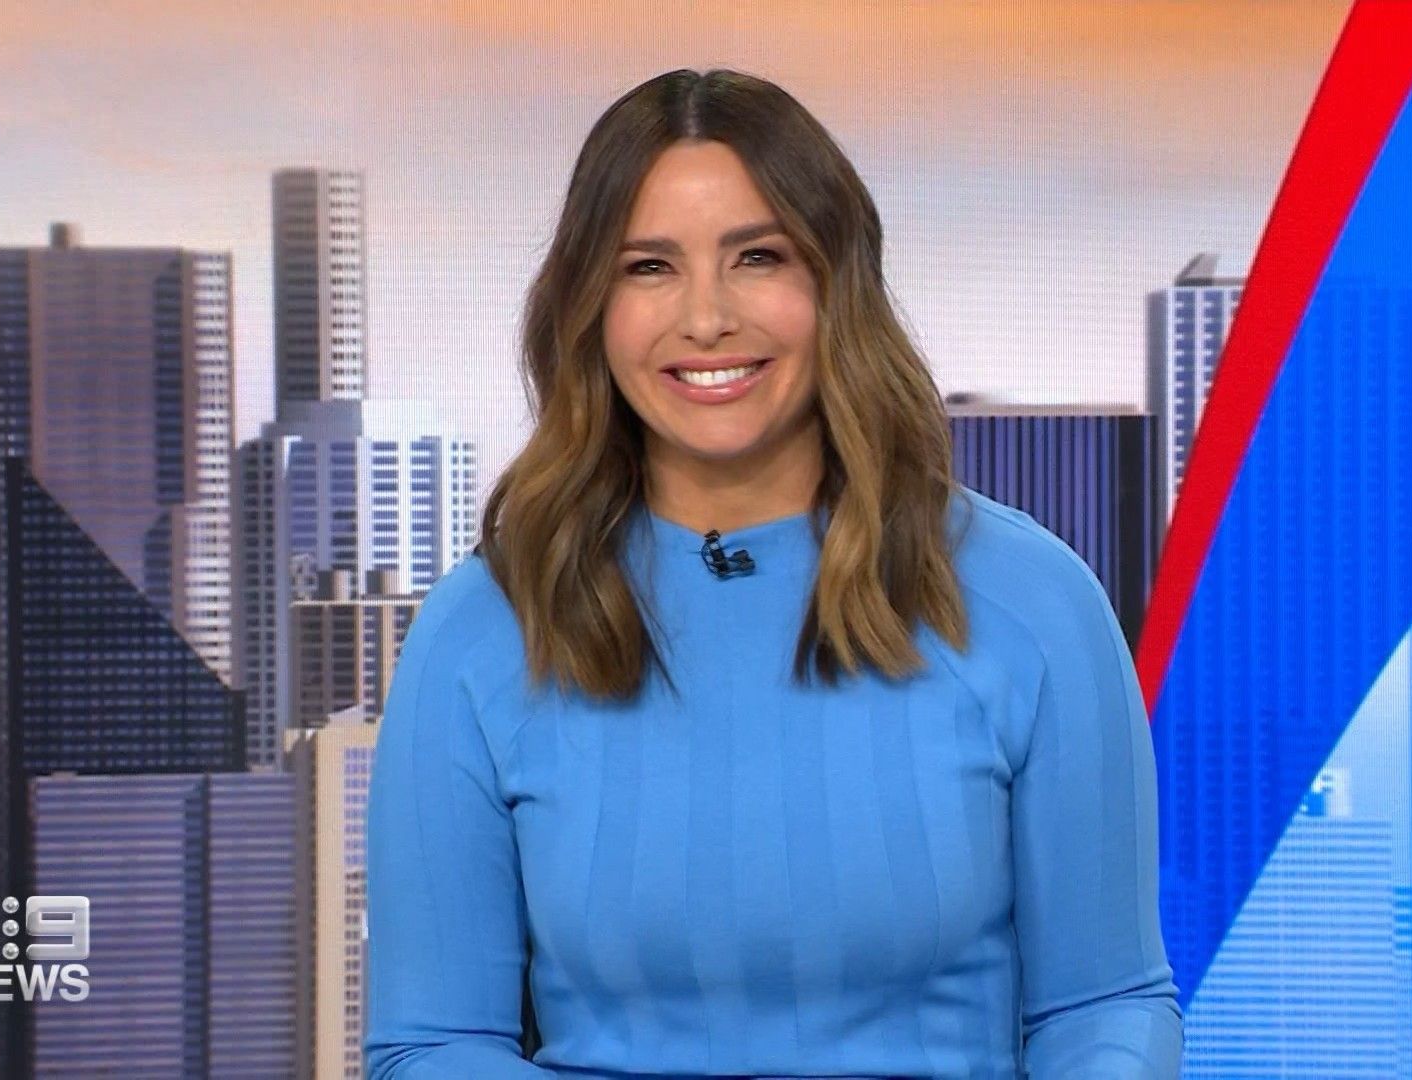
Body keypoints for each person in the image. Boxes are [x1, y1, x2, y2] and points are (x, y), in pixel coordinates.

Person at [363, 67, 1183, 1079]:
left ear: (836, 283)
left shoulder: (1033, 601)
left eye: (758, 257)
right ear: (589, 307)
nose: (706, 318)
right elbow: (433, 1044)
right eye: (648, 267)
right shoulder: (481, 628)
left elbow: (1105, 1006)